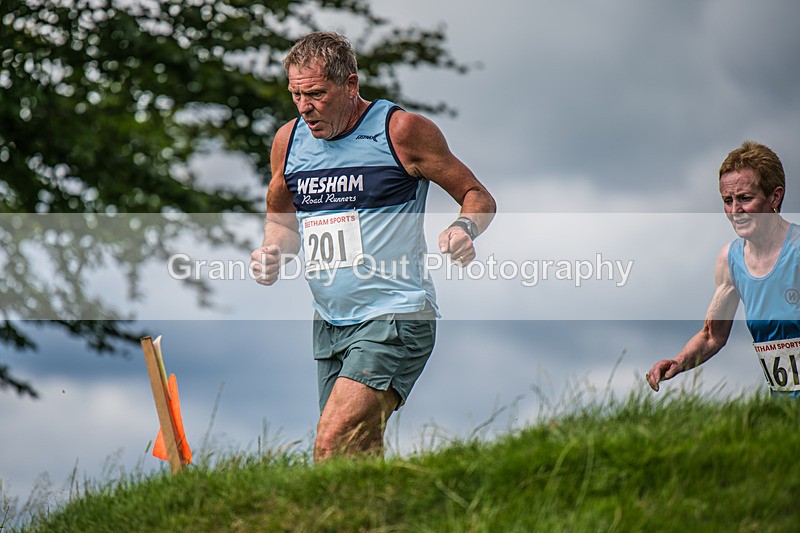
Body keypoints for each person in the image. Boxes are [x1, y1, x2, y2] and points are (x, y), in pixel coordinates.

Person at [250, 32, 496, 461]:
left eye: (316, 94)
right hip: (330, 323)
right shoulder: (288, 141)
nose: (304, 107)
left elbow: (478, 196)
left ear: (351, 84)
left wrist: (463, 229)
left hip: (395, 315)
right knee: (354, 458)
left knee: (330, 443)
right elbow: (281, 223)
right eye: (295, 95)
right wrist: (272, 252)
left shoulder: (401, 131)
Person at [647, 141, 799, 396]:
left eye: (745, 198)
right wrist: (679, 361)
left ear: (775, 196)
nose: (735, 210)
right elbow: (712, 336)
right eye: (728, 200)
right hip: (783, 407)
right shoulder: (730, 260)